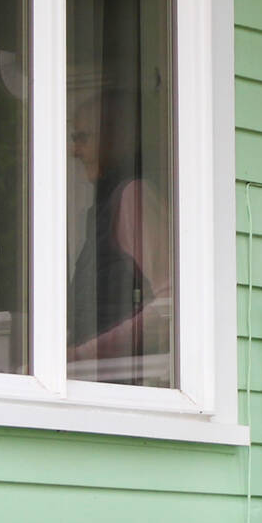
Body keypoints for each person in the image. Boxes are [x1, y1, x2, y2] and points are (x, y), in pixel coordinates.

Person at [67, 89, 172, 385]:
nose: (72, 150)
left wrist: (82, 354)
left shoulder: (132, 197)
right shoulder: (101, 208)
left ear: (114, 137)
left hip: (130, 382)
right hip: (104, 379)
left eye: (82, 137)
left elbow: (170, 304)